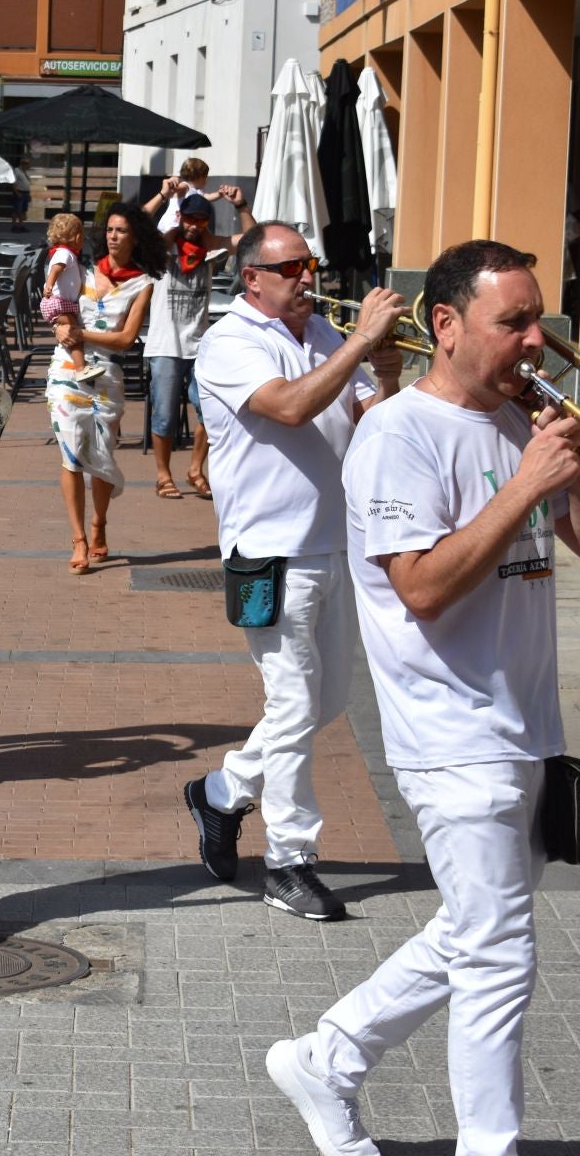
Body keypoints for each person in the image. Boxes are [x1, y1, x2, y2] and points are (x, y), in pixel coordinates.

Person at [268, 240, 575, 1156]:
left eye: (538, 320)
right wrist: (528, 482)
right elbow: (425, 587)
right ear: (445, 324)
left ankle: (326, 1060)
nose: (536, 341)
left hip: (527, 725)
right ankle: (489, 1144)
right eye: (513, 322)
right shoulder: (398, 434)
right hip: (451, 732)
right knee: (500, 957)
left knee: (477, 932)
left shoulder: (522, 420)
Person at [186, 223, 407, 921]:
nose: (306, 276)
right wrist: (361, 342)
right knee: (291, 705)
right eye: (290, 268)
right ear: (252, 277)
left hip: (335, 543)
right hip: (271, 549)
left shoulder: (321, 334)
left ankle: (221, 793)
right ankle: (289, 859)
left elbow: (373, 422)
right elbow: (290, 406)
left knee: (327, 701)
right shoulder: (231, 341)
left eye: (309, 264)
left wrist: (387, 373)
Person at [47, 205, 163, 574]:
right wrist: (60, 327)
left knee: (100, 454)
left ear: (135, 238)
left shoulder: (143, 284)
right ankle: (78, 538)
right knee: (70, 452)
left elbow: (126, 339)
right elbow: (60, 307)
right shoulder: (81, 271)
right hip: (66, 369)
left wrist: (81, 332)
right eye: (110, 229)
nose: (113, 236)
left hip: (106, 375)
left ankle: (99, 523)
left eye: (122, 230)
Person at [150, 190, 253, 501]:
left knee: (212, 411)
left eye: (201, 220)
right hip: (165, 346)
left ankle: (195, 469)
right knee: (164, 416)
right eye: (189, 219)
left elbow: (252, 240)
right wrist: (164, 199)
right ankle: (163, 475)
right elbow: (142, 234)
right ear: (180, 217)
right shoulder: (164, 250)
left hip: (199, 346)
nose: (194, 226)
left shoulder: (208, 250)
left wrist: (240, 205)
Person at [38, 214, 100, 382]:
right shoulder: (65, 253)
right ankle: (81, 368)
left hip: (60, 303)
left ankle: (80, 366)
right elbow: (56, 269)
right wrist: (49, 284)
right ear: (78, 237)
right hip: (59, 303)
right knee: (74, 334)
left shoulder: (63, 252)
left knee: (71, 332)